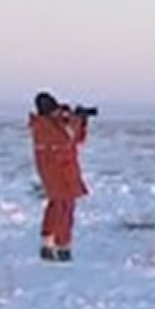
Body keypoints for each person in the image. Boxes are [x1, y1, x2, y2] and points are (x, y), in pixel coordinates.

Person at [29, 92, 92, 263]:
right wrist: (73, 119)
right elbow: (65, 138)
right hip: (55, 170)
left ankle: (63, 245)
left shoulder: (55, 123)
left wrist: (81, 121)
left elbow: (77, 139)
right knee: (58, 204)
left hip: (66, 169)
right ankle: (49, 244)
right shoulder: (42, 125)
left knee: (67, 206)